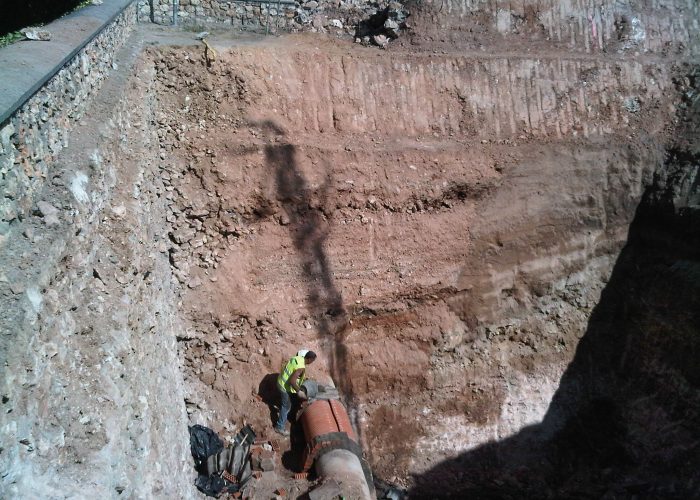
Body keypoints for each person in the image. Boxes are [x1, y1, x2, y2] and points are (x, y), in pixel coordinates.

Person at [275, 349, 317, 436]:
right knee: (286, 407)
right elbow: (292, 381)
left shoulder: (297, 358)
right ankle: (279, 427)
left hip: (280, 381)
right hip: (284, 387)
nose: (312, 362)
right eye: (312, 361)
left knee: (287, 403)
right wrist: (299, 392)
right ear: (309, 359)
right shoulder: (301, 367)